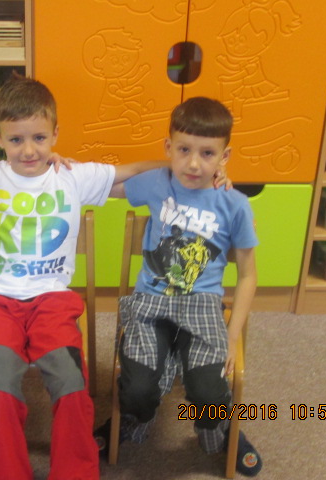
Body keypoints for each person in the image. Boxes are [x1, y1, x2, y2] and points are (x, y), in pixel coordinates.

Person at [0, 74, 175, 480]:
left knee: (71, 385)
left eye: (39, 138)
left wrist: (191, 168)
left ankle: (74, 472)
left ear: (55, 134)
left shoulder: (72, 175)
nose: (28, 150)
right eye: (16, 139)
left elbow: (137, 172)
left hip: (52, 302)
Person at [98, 96, 262, 477]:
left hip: (202, 306)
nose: (194, 164)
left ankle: (221, 431)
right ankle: (131, 421)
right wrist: (61, 168)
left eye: (207, 153)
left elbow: (248, 275)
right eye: (183, 150)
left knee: (209, 392)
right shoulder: (158, 183)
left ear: (225, 156)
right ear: (168, 147)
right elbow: (105, 186)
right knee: (137, 390)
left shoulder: (235, 204)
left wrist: (232, 334)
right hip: (151, 304)